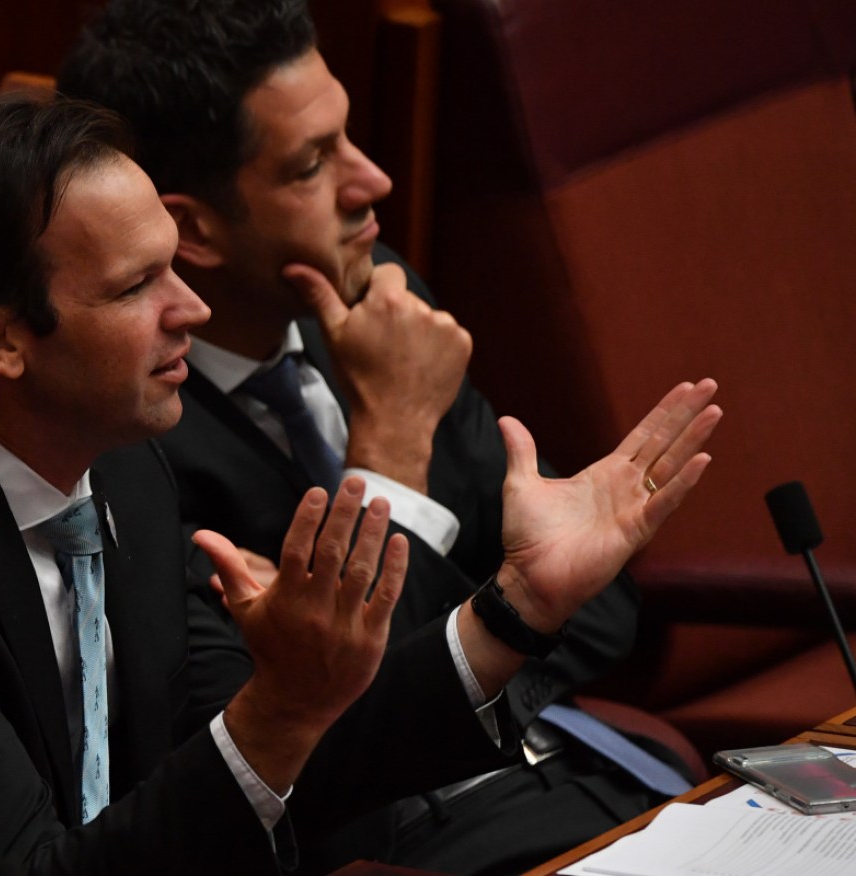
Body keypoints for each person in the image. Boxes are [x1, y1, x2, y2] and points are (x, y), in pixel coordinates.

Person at [0, 92, 720, 875]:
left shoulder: (120, 466)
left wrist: (514, 609)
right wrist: (280, 709)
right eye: (136, 285)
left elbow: (280, 752)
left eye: (176, 266)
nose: (190, 311)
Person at [57, 2, 712, 872]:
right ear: (194, 230)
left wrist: (505, 636)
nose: (372, 183)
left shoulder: (378, 297)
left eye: (347, 138)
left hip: (590, 783)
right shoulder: (133, 442)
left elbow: (598, 609)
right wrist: (393, 447)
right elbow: (340, 744)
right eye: (311, 164)